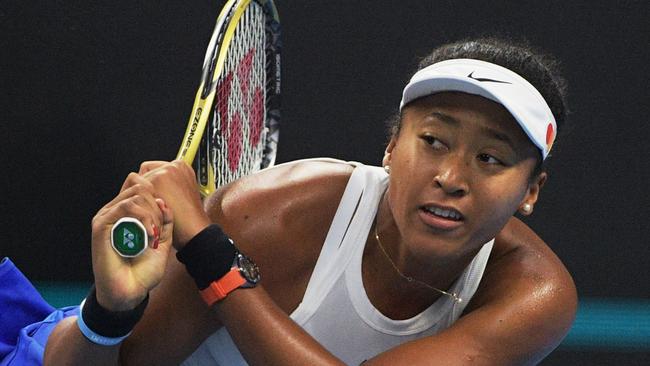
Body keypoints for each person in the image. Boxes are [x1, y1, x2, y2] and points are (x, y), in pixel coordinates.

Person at [43, 37, 577, 365]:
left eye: (491, 159)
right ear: (391, 147)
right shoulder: (275, 215)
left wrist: (213, 258)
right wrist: (111, 311)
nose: (450, 176)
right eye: (433, 141)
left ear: (531, 191)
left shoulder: (533, 294)